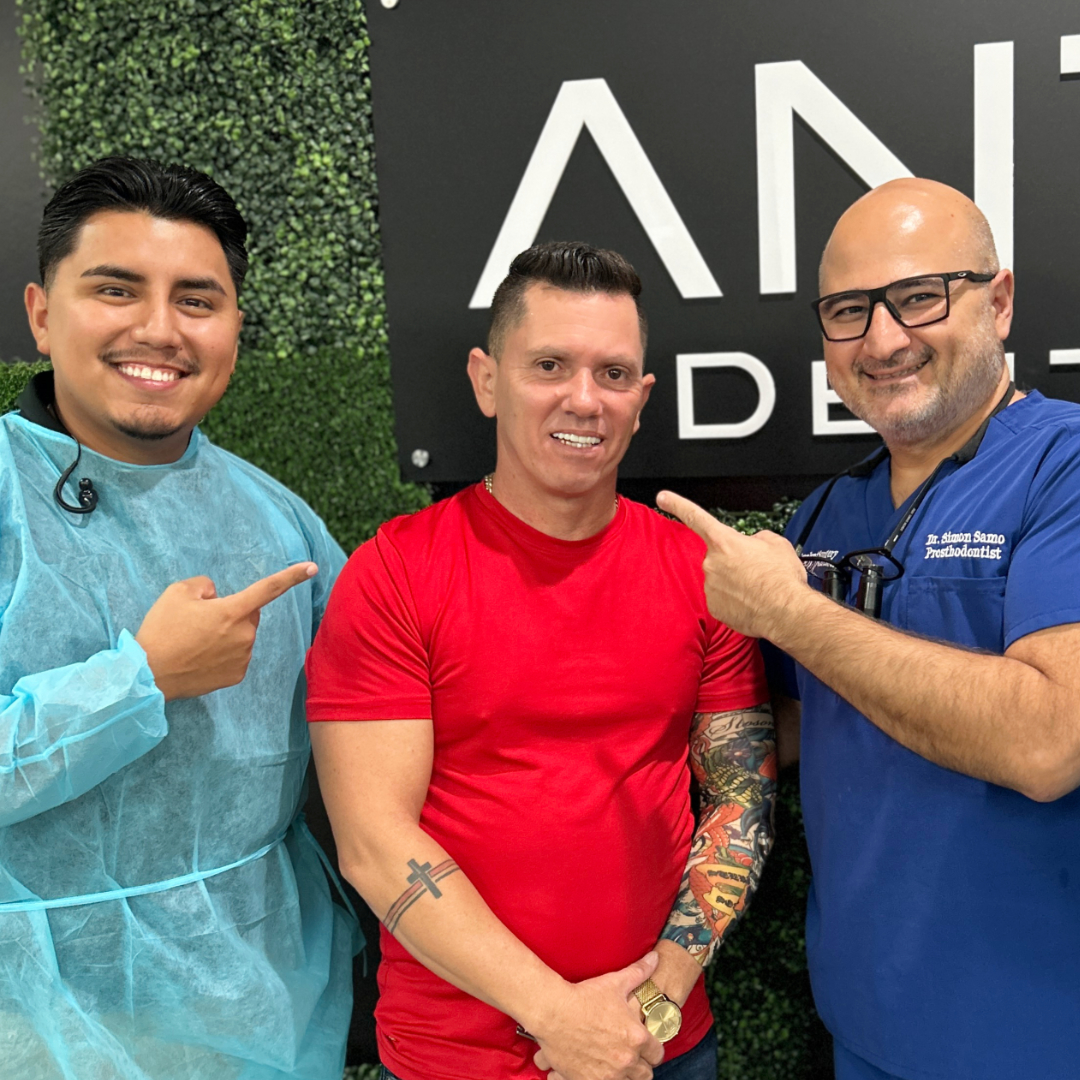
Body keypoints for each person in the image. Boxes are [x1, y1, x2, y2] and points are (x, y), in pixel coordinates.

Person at [305, 242, 776, 1080]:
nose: (584, 399)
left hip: (659, 1042)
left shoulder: (704, 574)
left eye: (614, 373)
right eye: (549, 365)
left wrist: (653, 1002)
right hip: (455, 1056)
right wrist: (558, 1015)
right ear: (487, 380)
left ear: (643, 397)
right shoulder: (395, 573)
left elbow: (740, 798)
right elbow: (375, 843)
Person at [658, 178, 1080, 1080]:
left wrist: (794, 614)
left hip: (1038, 1036)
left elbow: (1051, 742)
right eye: (850, 311)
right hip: (866, 1027)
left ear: (999, 302)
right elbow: (782, 727)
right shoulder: (823, 517)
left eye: (921, 296)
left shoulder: (1064, 467)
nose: (884, 339)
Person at [0, 157, 357, 1080]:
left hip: (264, 1010)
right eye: (116, 290)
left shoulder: (281, 523)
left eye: (197, 300)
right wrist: (138, 681)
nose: (158, 330)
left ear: (236, 325)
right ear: (42, 313)